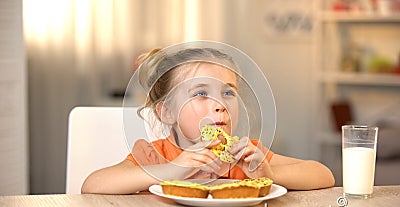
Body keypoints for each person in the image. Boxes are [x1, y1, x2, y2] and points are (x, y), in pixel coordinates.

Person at [81, 46, 335, 194]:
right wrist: (170, 171)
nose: (220, 105)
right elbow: (92, 185)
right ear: (166, 112)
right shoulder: (156, 155)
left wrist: (268, 174)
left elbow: (323, 175)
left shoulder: (243, 156)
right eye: (201, 93)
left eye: (228, 93)